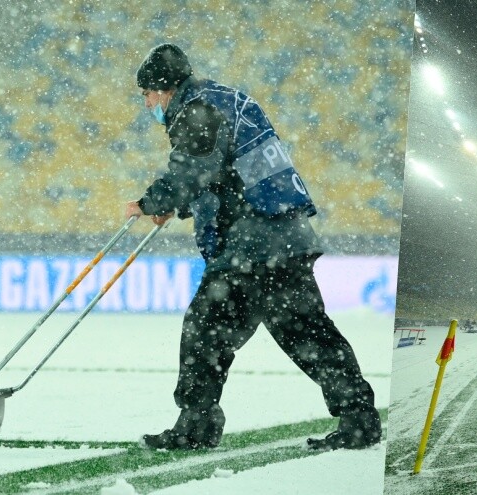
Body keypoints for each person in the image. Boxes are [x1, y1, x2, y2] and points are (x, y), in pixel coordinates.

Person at [125, 43, 380, 451]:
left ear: (164, 89)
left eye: (146, 95)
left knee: (206, 333)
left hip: (252, 243)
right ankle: (359, 418)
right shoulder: (226, 100)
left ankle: (197, 424)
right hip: (280, 235)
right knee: (306, 334)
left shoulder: (197, 109)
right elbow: (229, 171)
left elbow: (195, 169)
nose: (146, 104)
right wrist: (183, 205)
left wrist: (151, 202)